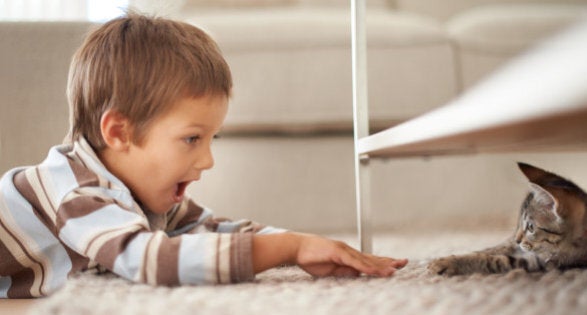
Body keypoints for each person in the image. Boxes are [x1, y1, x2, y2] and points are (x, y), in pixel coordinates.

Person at [0, 13, 407, 298]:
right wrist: (288, 249)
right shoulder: (77, 193)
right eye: (192, 139)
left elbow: (213, 229)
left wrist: (302, 244)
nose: (208, 160)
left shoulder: (141, 194)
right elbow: (148, 261)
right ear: (119, 132)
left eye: (213, 139)